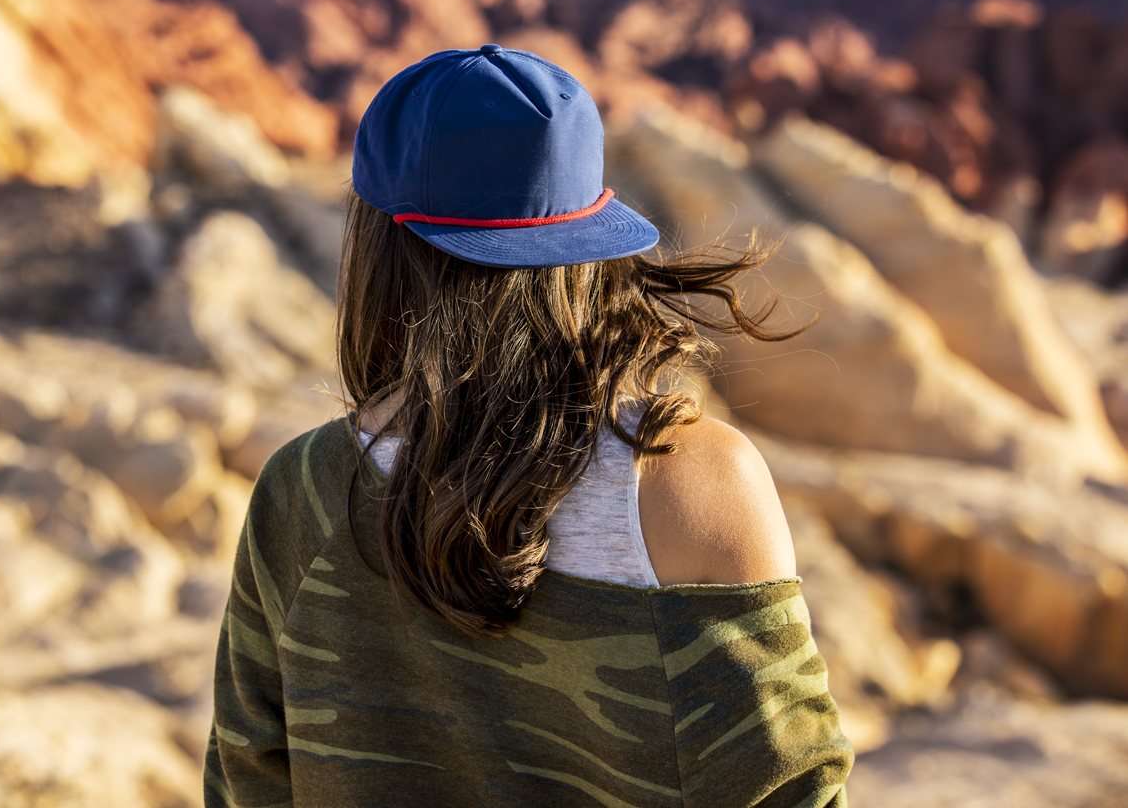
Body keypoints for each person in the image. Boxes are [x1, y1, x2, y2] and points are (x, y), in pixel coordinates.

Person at [204, 45, 854, 807]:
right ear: (591, 247)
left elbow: (248, 783)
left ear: (375, 247)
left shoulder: (303, 490)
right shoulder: (688, 481)